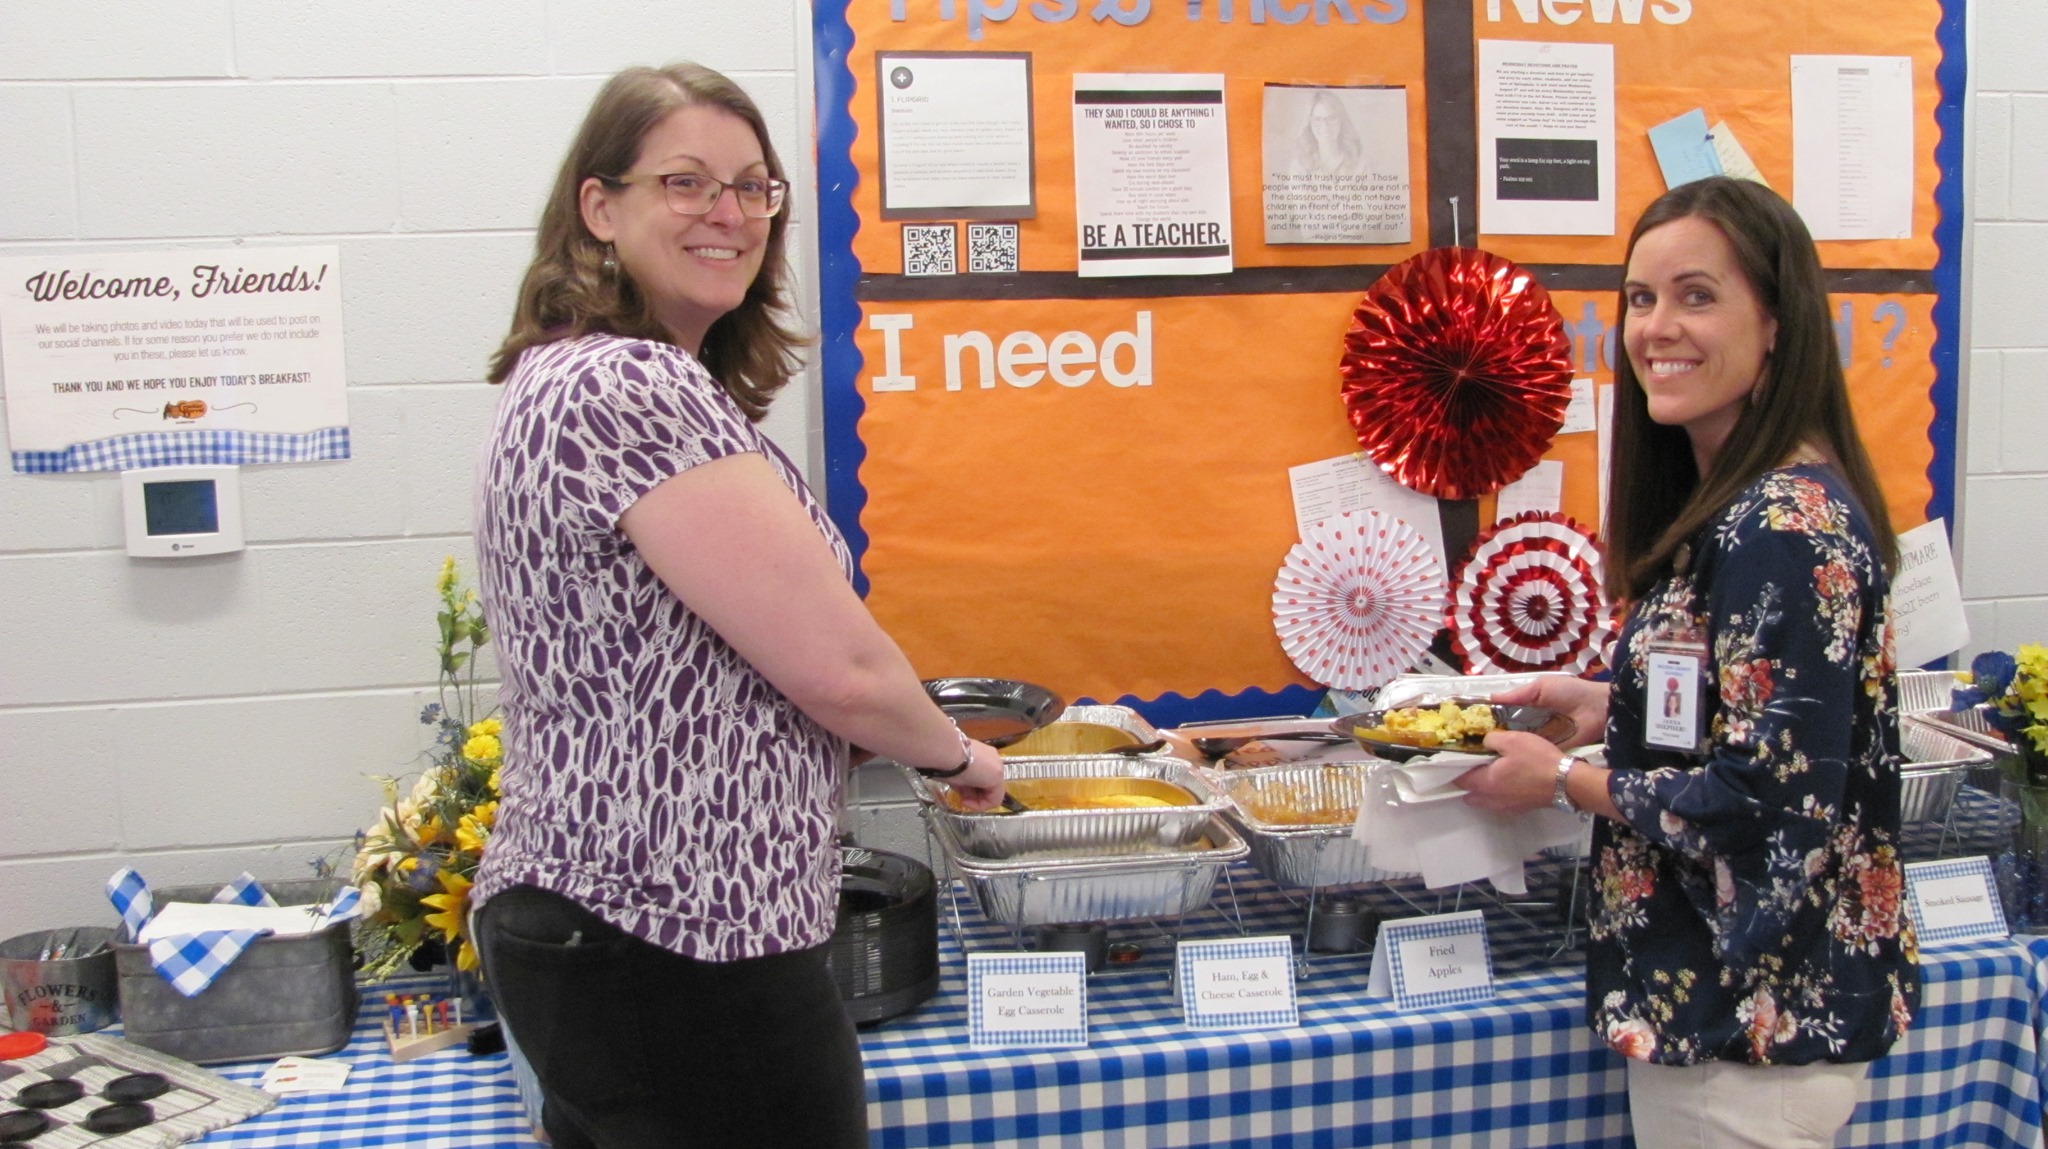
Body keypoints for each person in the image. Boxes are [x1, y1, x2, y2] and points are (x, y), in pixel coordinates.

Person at [467, 62, 1007, 1149]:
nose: (728, 212)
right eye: (686, 181)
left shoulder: (576, 376)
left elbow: (698, 664)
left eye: (753, 186)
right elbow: (837, 669)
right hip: (677, 928)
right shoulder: (629, 385)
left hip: (605, 921)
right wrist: (962, 758)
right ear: (598, 206)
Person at [1453, 176, 1918, 1149]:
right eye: (1640, 298)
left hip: (1746, 1031)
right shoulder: (1740, 504)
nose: (1656, 328)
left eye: (1696, 295)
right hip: (1717, 1021)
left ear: (1777, 323)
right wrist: (1610, 703)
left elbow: (1759, 803)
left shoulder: (1782, 525)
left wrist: (1562, 780)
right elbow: (1748, 715)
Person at [1289, 89, 1366, 178]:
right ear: (1309, 124)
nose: (1325, 126)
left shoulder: (1360, 165)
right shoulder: (1299, 167)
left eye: (1331, 118)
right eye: (1318, 119)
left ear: (1342, 121)